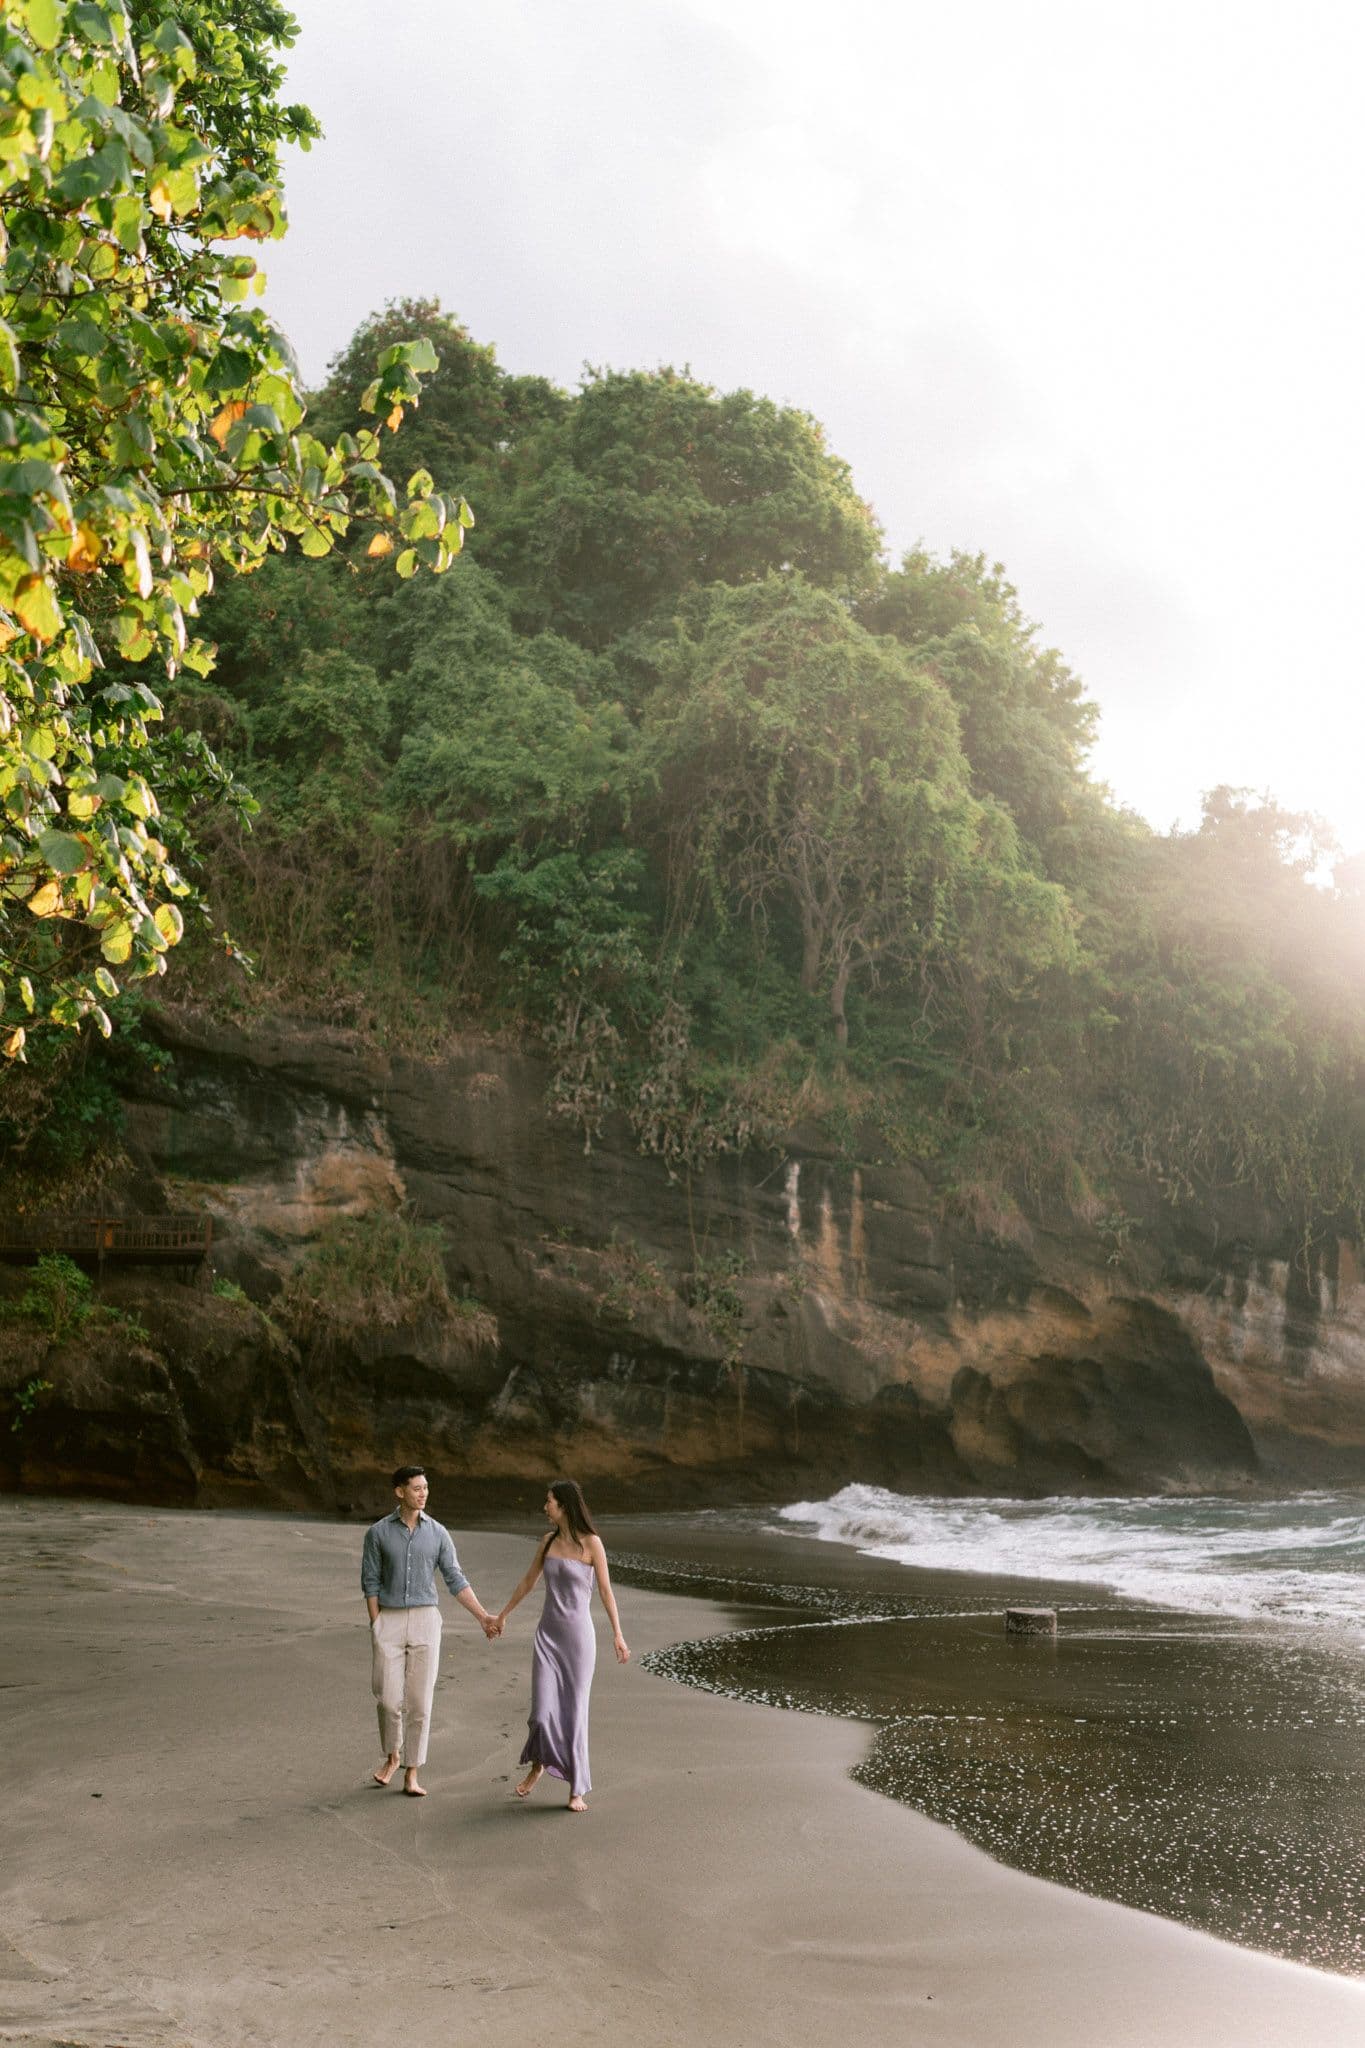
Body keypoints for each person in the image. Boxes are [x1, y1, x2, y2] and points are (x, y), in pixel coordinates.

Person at [360, 1464, 501, 1797]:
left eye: (425, 1488)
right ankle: (392, 1756)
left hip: (426, 1619)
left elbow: (455, 1578)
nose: (422, 1493)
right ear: (400, 1492)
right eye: (416, 1488)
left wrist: (483, 1616)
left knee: (420, 1702)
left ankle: (412, 1771)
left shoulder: (438, 1533)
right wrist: (376, 1623)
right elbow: (370, 1582)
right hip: (389, 1620)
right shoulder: (378, 1533)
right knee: (388, 1699)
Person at [496, 1478, 629, 1813]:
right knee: (541, 1713)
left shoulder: (592, 1544)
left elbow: (605, 1592)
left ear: (564, 1506)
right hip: (547, 1637)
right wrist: (503, 1615)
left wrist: (618, 1634)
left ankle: (576, 1788)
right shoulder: (547, 1542)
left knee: (574, 1713)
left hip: (578, 1640)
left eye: (549, 1501)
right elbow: (528, 1581)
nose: (545, 1507)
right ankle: (539, 1764)